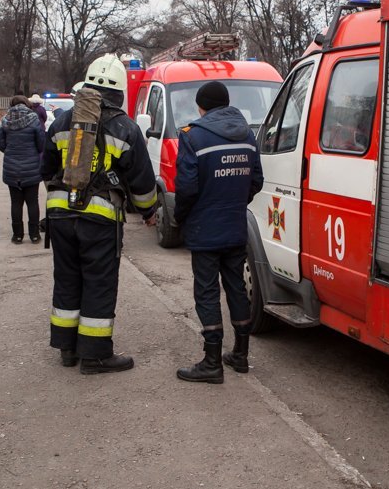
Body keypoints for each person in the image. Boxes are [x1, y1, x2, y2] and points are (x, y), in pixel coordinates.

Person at [42, 54, 158, 374]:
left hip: (60, 216)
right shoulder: (125, 127)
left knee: (67, 279)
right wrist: (148, 212)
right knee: (99, 283)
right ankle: (94, 355)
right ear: (119, 92)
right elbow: (143, 182)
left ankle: (67, 349)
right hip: (100, 219)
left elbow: (46, 168)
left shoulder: (63, 121)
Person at [173, 80, 264, 384]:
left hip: (205, 227)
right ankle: (240, 354)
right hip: (235, 225)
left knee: (207, 291)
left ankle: (212, 362)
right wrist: (235, 203)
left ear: (201, 105)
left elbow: (186, 187)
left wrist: (182, 218)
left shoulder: (192, 136)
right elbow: (256, 181)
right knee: (236, 287)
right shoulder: (248, 135)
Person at [0, 95, 46, 243]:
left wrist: (12, 151)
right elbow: (41, 144)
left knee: (15, 202)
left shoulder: (5, 121)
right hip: (31, 167)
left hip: (11, 168)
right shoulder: (34, 119)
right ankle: (34, 235)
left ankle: (17, 235)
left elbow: (1, 145)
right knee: (32, 201)